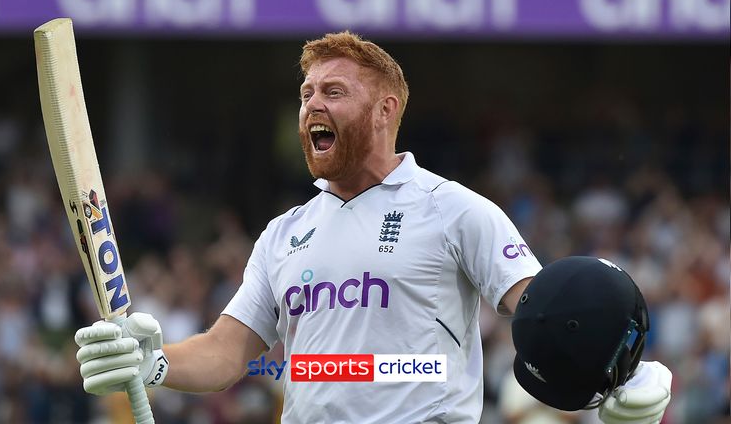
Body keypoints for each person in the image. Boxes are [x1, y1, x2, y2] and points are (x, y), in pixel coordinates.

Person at [75, 32, 672, 423]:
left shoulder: (455, 209)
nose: (312, 105)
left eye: (333, 92)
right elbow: (227, 354)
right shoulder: (283, 234)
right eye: (306, 93)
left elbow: (551, 312)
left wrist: (626, 371)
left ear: (386, 110)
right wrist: (150, 361)